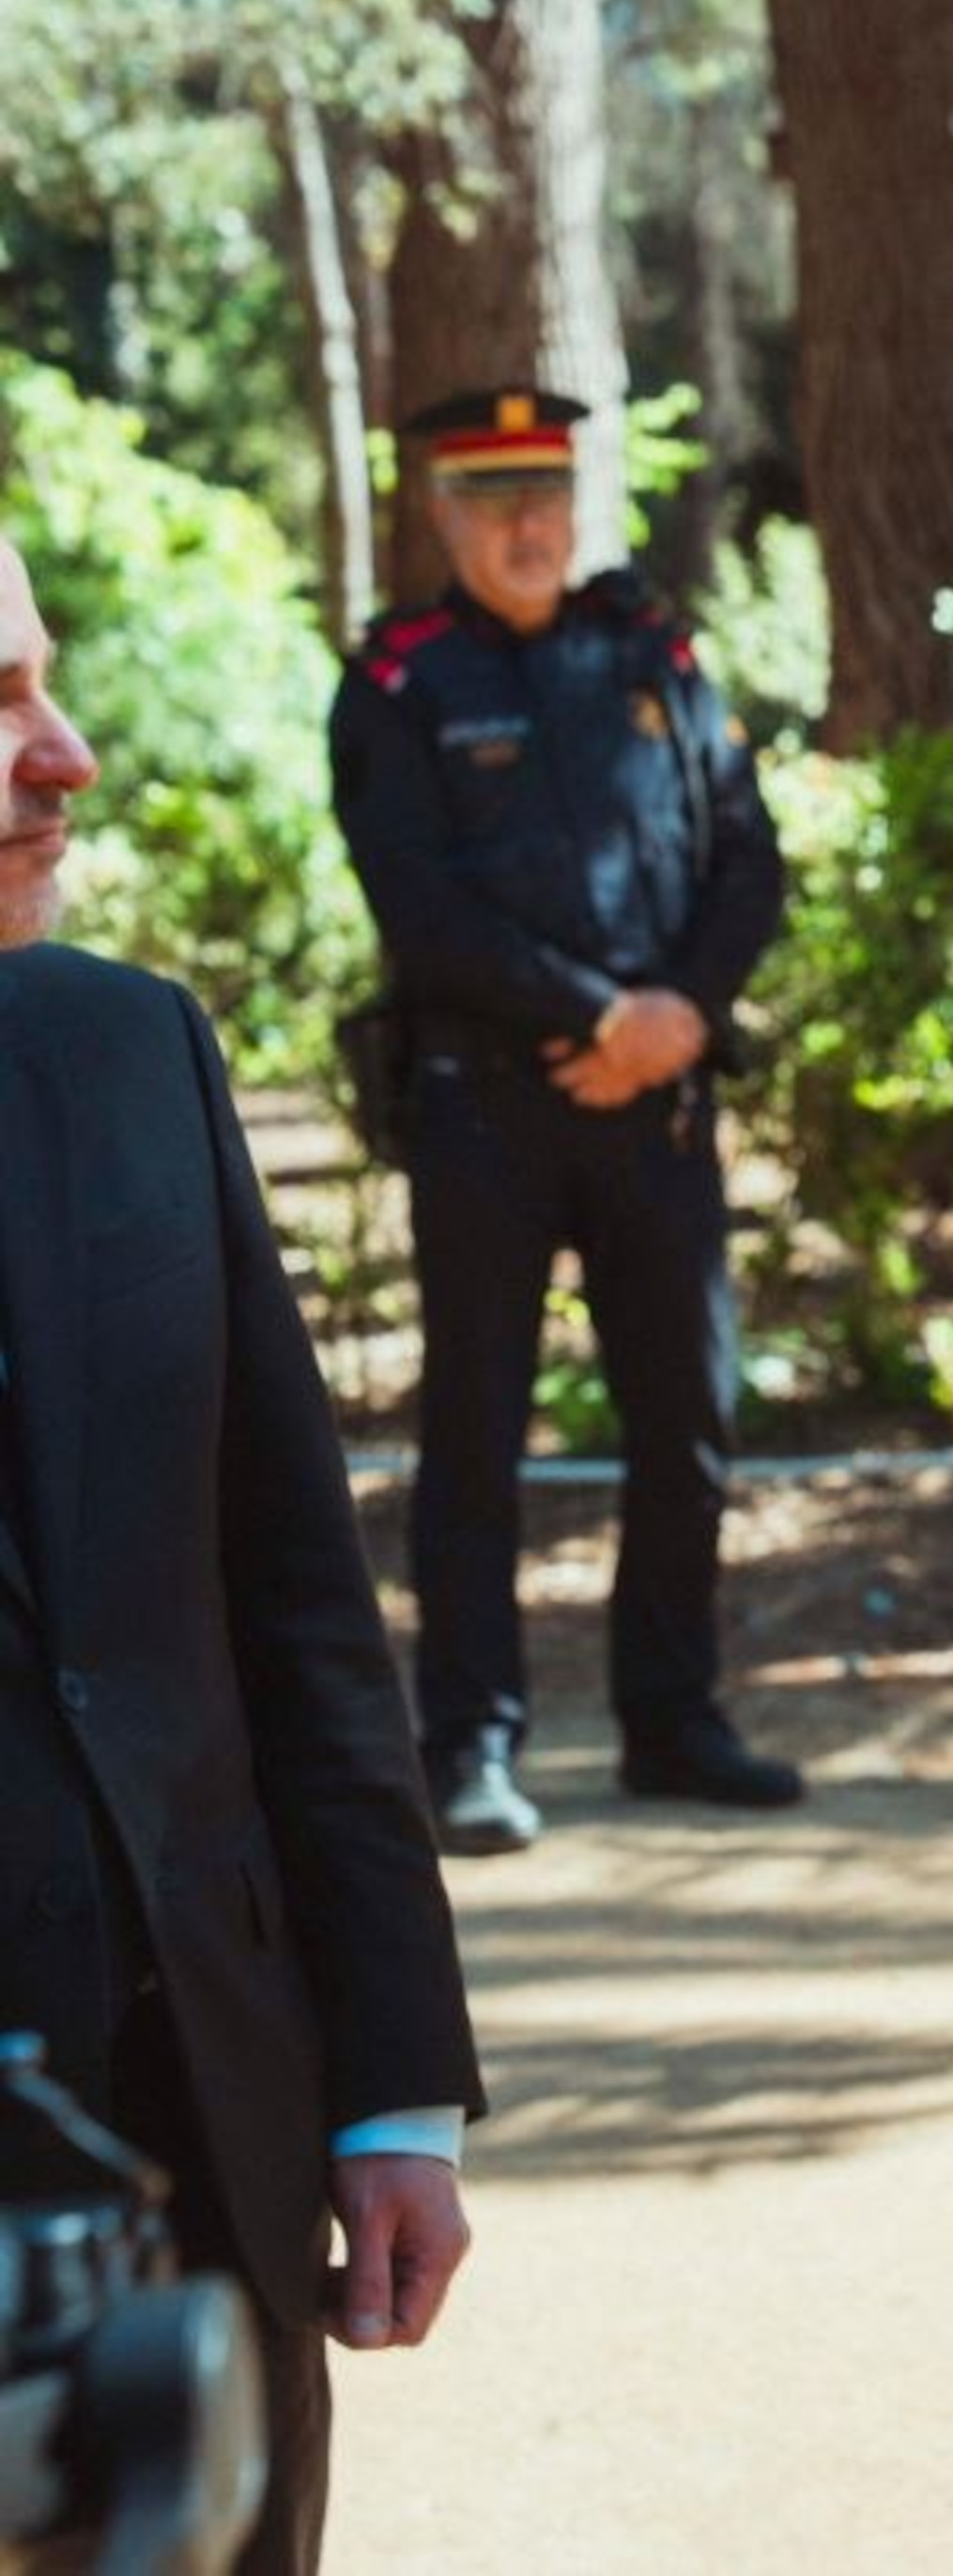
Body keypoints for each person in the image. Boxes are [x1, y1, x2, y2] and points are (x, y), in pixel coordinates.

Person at [0, 529, 484, 2576]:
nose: (65, 755)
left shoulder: (132, 1053)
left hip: (194, 2136)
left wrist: (392, 2090)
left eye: (40, 681)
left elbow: (294, 1602)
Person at [330, 387, 797, 1853]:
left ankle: (674, 1715)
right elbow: (419, 904)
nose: (528, 525)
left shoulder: (652, 650)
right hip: (486, 1112)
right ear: (445, 513)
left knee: (689, 1419)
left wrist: (680, 1019)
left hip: (658, 1109)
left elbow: (747, 855)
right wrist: (605, 1016)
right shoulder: (398, 680)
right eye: (494, 499)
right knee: (477, 1430)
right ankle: (471, 1741)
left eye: (546, 495)